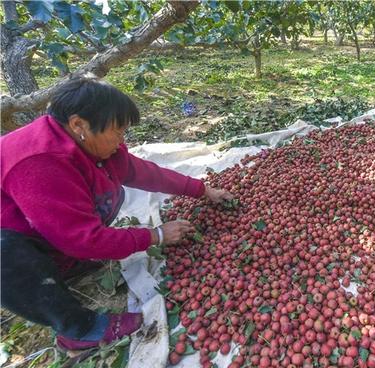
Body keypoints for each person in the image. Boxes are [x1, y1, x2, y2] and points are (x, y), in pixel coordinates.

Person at [0, 77, 234, 350]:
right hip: (9, 239)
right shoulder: (40, 163)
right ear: (79, 125)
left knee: (100, 203)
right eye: (118, 131)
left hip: (42, 222)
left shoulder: (89, 143)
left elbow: (141, 172)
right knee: (8, 256)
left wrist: (201, 189)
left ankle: (65, 262)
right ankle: (79, 329)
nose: (122, 140)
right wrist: (155, 235)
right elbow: (82, 238)